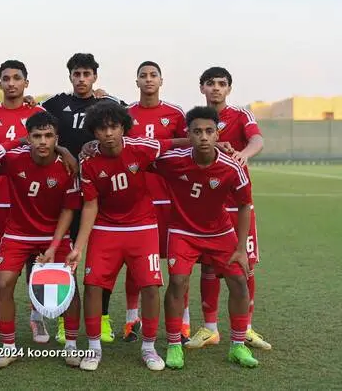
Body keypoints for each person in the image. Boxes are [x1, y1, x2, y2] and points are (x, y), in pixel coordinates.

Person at [67, 101, 177, 371]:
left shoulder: (142, 147)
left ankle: (149, 348)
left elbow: (175, 142)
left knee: (151, 286)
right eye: (102, 128)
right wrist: (79, 247)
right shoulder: (88, 160)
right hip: (106, 230)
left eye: (113, 126)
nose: (108, 133)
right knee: (92, 285)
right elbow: (90, 205)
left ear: (123, 127)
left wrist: (217, 145)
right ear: (94, 132)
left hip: (143, 228)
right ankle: (93, 348)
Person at [152, 106, 258, 369]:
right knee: (177, 282)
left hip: (220, 232)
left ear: (217, 133)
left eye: (209, 131)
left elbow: (245, 205)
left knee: (238, 282)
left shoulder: (232, 166)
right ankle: (175, 345)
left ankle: (237, 346)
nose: (203, 137)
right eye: (197, 131)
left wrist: (241, 247)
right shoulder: (172, 160)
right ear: (188, 133)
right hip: (183, 232)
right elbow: (137, 154)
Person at [186, 67, 270, 351]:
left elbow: (257, 140)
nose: (216, 88)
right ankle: (210, 329)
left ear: (229, 89)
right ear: (202, 88)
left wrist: (242, 156)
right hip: (208, 206)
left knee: (245, 265)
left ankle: (245, 327)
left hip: (239, 205)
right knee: (209, 266)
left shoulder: (241, 115)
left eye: (222, 84)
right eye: (210, 84)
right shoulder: (197, 118)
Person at [41, 53, 122, 344]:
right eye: (76, 74)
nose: (82, 79)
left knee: (103, 261)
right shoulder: (56, 104)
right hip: (64, 193)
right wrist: (62, 151)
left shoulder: (106, 105)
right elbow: (35, 123)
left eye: (87, 74)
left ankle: (101, 317)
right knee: (67, 257)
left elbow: (127, 123)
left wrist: (109, 96)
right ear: (70, 76)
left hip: (101, 194)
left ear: (95, 77)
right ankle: (67, 320)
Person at [0, 111, 82, 368]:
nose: (43, 141)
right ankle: (9, 346)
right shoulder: (13, 159)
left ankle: (72, 345)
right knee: (5, 283)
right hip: (17, 233)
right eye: (37, 136)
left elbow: (68, 209)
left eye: (49, 136)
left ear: (56, 138)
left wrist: (54, 246)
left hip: (55, 235)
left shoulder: (67, 167)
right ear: (28, 138)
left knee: (70, 287)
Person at [0, 60, 47, 344]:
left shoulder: (40, 113)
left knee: (34, 259)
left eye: (17, 78)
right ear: (0, 83)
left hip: (33, 199)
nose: (12, 83)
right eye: (6, 78)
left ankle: (36, 317)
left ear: (26, 83)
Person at [122, 61, 188, 342]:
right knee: (135, 261)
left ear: (161, 80)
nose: (148, 80)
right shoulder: (125, 114)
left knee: (177, 263)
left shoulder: (175, 114)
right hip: (136, 197)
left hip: (169, 197)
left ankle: (183, 322)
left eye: (153, 75)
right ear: (136, 82)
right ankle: (130, 318)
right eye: (143, 76)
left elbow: (189, 143)